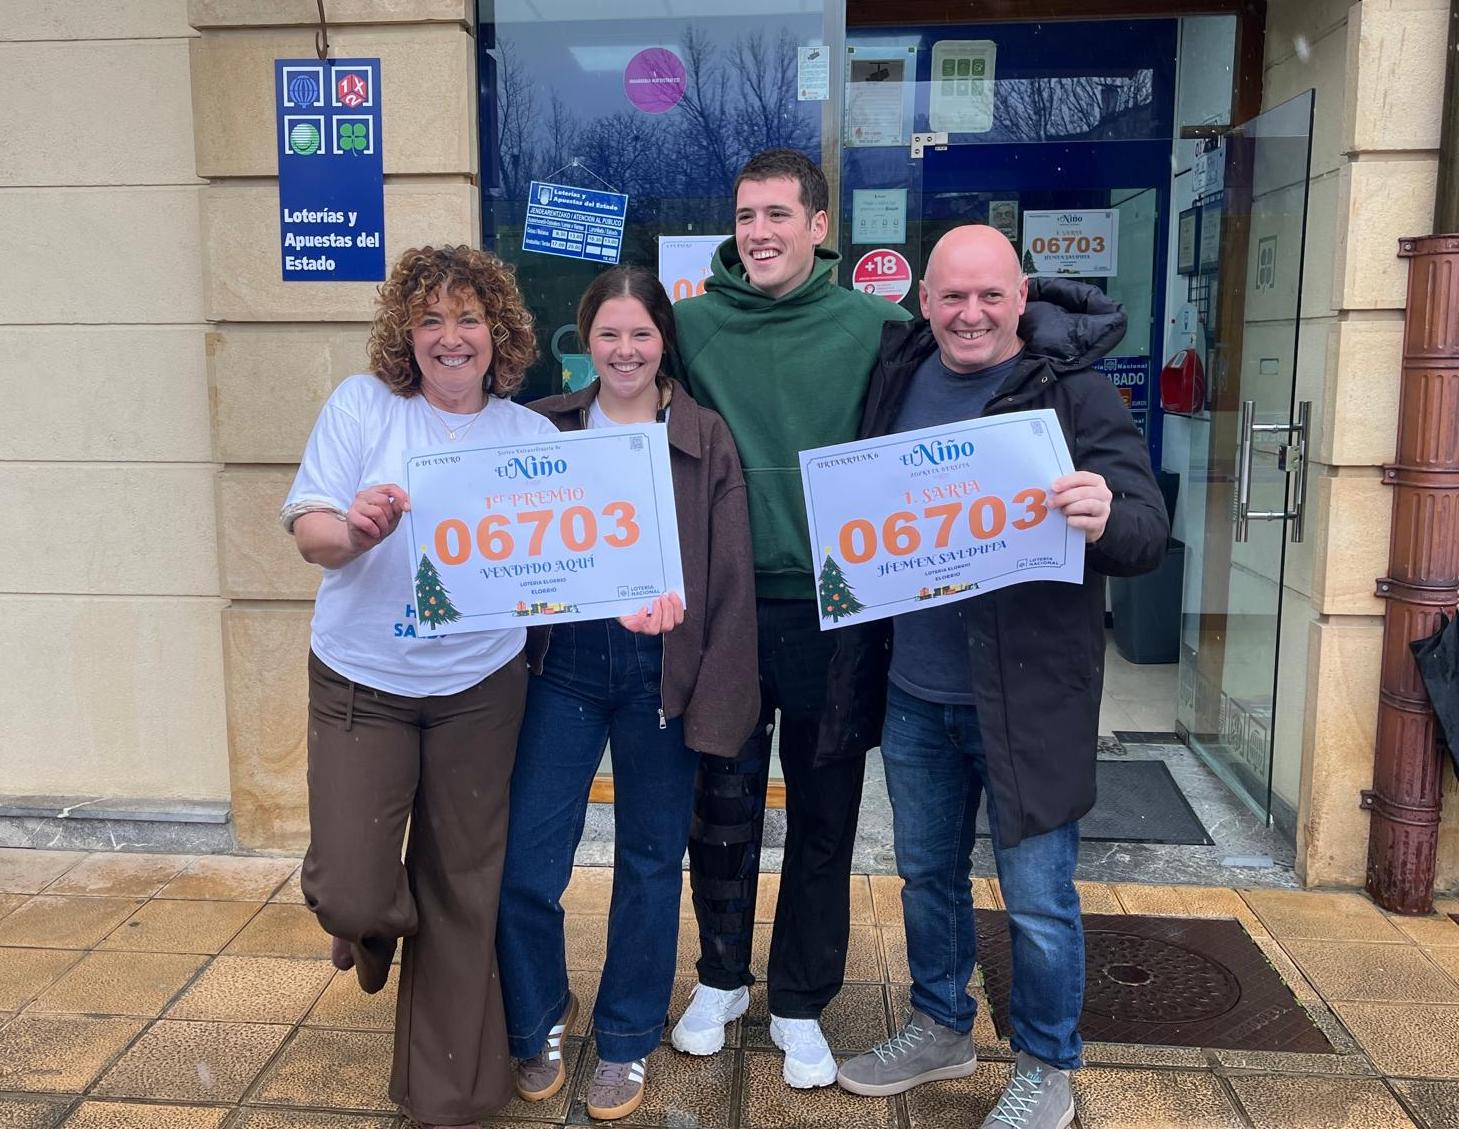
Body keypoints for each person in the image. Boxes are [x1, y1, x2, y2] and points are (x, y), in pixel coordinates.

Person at [831, 226, 1169, 1129]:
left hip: (1028, 696)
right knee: (925, 876)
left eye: (989, 295)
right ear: (924, 301)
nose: (970, 314)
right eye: (951, 296)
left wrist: (1105, 514)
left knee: (1038, 900)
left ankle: (1047, 1063)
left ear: (1021, 296)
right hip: (916, 691)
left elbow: (1145, 530)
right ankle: (941, 1026)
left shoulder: (1073, 390)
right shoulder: (898, 374)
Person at [282, 244, 560, 1129]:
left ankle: (449, 1098)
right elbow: (311, 531)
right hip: (361, 679)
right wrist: (354, 530)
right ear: (407, 331)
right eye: (430, 318)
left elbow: (575, 561)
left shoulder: (530, 438)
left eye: (468, 318)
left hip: (480, 687)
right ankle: (364, 920)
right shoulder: (364, 406)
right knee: (354, 887)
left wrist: (638, 594)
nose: (450, 336)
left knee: (461, 889)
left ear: (498, 332)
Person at [669, 148, 912, 1088]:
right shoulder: (690, 326)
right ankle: (721, 976)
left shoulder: (877, 327)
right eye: (745, 216)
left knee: (824, 813)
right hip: (725, 609)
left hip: (836, 613)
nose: (759, 233)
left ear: (819, 226)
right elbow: (619, 395)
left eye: (778, 215)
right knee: (720, 810)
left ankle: (802, 999)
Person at [496, 266, 759, 1121]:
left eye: (640, 333)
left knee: (649, 863)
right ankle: (537, 1016)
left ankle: (624, 1037)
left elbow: (730, 580)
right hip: (563, 666)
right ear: (585, 340)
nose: (624, 349)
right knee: (528, 860)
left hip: (661, 671)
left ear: (663, 340)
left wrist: (717, 694)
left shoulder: (705, 436)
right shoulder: (542, 427)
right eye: (608, 333)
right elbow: (500, 546)